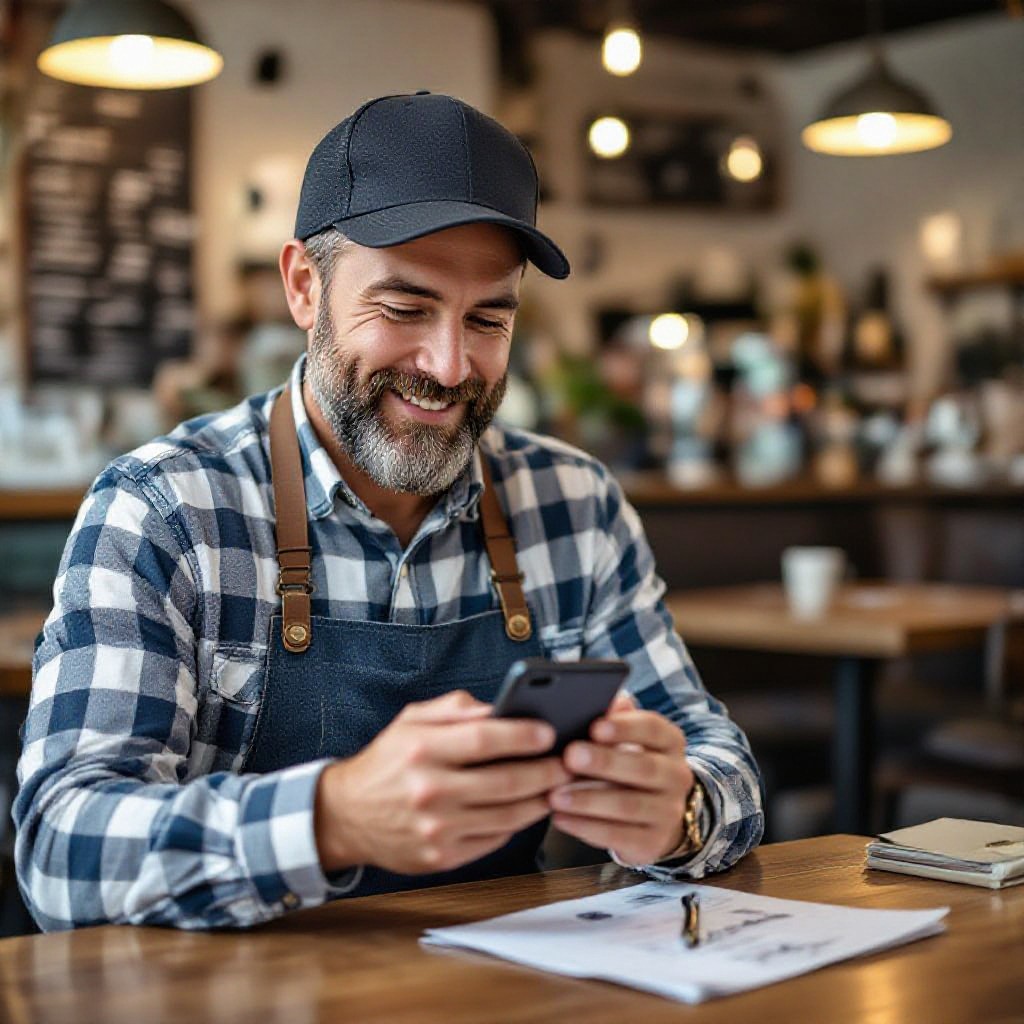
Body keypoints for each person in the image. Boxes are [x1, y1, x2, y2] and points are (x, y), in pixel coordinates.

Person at [14, 92, 763, 931]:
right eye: (404, 309)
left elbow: (715, 757)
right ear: (304, 286)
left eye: (487, 318)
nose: (448, 367)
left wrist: (680, 813)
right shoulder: (166, 510)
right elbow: (61, 850)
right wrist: (330, 819)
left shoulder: (574, 506)